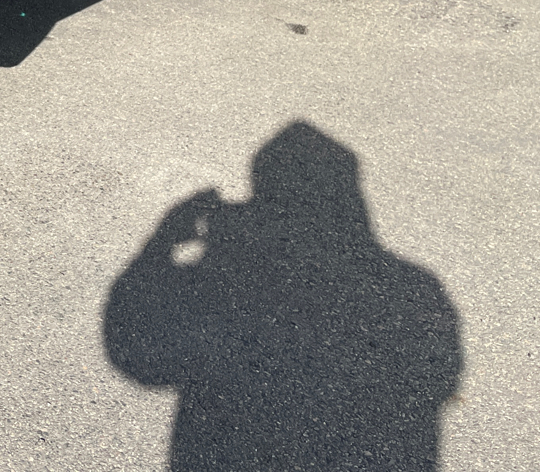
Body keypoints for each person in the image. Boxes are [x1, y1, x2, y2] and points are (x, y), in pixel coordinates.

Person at [104, 122, 462, 470]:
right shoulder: (413, 284)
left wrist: (162, 242)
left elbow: (137, 354)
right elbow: (436, 378)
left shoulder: (232, 267)